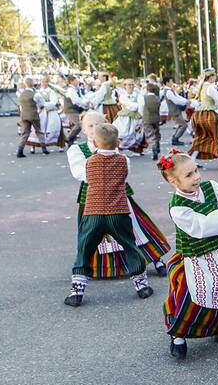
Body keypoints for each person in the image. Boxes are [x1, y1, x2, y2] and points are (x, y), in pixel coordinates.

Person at [158, 150, 218, 361]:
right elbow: (204, 226)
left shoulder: (211, 187)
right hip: (194, 258)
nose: (196, 177)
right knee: (188, 298)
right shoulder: (178, 208)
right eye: (189, 175)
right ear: (174, 181)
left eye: (195, 171)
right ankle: (178, 336)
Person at [66, 111, 171, 280]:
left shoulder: (112, 146)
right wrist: (105, 166)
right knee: (92, 234)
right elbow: (79, 172)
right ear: (84, 130)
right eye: (90, 126)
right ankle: (96, 268)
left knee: (135, 227)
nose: (94, 129)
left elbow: (125, 171)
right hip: (93, 198)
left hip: (118, 195)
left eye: (98, 125)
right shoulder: (77, 150)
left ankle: (154, 258)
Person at [64, 123, 154, 306]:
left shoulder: (89, 162)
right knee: (130, 245)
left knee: (85, 248)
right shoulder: (124, 161)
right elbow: (124, 178)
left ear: (95, 143)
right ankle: (141, 285)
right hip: (118, 211)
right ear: (118, 142)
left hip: (93, 212)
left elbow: (86, 178)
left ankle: (77, 291)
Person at [15, 77, 47, 158]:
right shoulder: (36, 94)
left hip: (24, 115)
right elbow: (42, 104)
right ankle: (44, 148)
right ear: (33, 84)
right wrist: (39, 110)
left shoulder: (21, 94)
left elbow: (19, 105)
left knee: (25, 133)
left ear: (25, 84)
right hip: (33, 115)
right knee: (39, 131)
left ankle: (20, 150)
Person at [161, 76, 191, 145]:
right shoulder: (168, 92)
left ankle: (175, 137)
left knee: (181, 125)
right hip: (174, 110)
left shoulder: (170, 90)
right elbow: (176, 100)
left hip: (175, 110)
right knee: (184, 125)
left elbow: (178, 97)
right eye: (171, 81)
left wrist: (186, 101)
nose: (172, 82)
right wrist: (186, 101)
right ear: (167, 82)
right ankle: (175, 138)